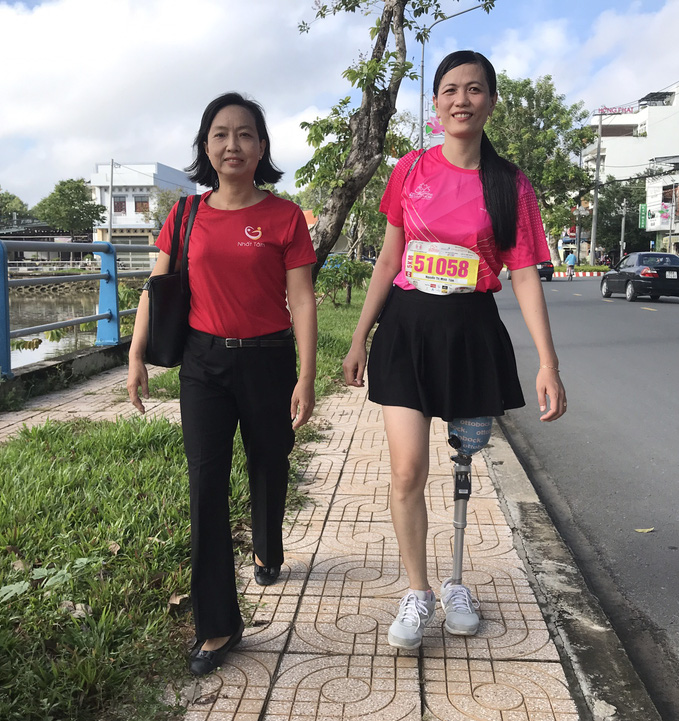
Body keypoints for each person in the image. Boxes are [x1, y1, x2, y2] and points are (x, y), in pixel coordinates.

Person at [342, 50, 566, 650]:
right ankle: (418, 592)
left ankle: (457, 582)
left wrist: (548, 362)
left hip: (471, 334)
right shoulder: (410, 170)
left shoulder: (510, 185)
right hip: (408, 331)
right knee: (408, 468)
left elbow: (523, 274)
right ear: (435, 103)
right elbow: (390, 259)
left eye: (474, 89)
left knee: (466, 466)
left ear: (491, 101)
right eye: (449, 90)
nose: (461, 99)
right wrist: (360, 335)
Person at [127, 92, 318, 675]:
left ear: (262, 147)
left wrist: (307, 375)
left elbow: (303, 300)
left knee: (270, 460)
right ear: (205, 147)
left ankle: (267, 546)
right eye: (220, 134)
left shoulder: (285, 217)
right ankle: (218, 625)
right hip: (203, 366)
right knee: (205, 486)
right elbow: (154, 291)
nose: (232, 145)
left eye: (245, 135)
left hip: (268, 359)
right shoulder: (185, 216)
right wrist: (136, 355)